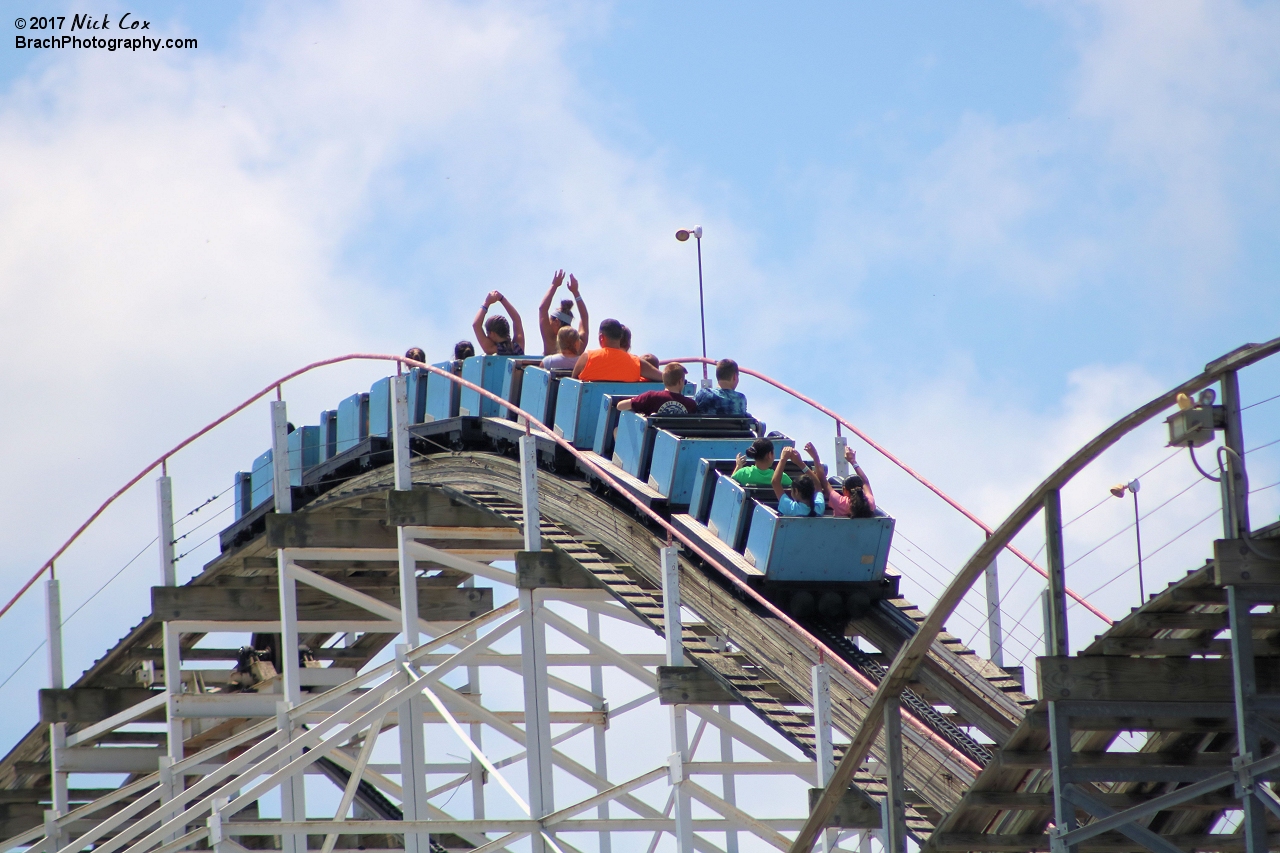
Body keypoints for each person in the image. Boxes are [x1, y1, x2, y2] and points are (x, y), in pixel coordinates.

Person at [573, 318, 662, 382]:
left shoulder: (587, 357)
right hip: (622, 408)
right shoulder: (637, 363)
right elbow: (664, 378)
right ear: (620, 337)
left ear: (601, 337)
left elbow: (571, 383)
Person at [809, 444, 877, 518]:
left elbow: (823, 480)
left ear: (845, 490)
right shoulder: (870, 501)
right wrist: (853, 461)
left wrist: (815, 456)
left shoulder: (840, 502)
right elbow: (865, 481)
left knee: (832, 480)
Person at [537, 270, 589, 355]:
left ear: (556, 322)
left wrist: (554, 285)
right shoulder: (579, 343)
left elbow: (542, 309)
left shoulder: (550, 340)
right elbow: (584, 317)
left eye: (550, 320)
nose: (548, 324)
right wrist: (576, 292)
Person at [619, 363, 696, 415]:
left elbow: (620, 406)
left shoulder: (650, 397)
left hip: (652, 438)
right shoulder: (691, 404)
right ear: (680, 381)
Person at [772, 447, 826, 517]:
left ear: (796, 491)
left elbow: (775, 482)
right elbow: (818, 485)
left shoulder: (791, 509)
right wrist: (800, 463)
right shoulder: (819, 507)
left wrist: (783, 459)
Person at [473, 291, 525, 355]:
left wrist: (486, 303)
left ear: (492, 334)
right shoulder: (518, 347)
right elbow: (517, 319)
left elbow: (476, 325)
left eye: (488, 333)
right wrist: (501, 298)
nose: (487, 336)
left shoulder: (492, 349)